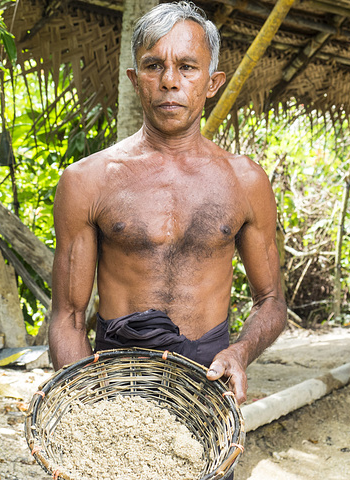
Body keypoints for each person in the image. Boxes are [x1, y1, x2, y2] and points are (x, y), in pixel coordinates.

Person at [49, 1, 286, 406]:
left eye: (188, 67)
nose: (170, 81)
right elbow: (68, 318)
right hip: (114, 375)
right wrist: (88, 401)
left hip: (206, 380)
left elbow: (272, 302)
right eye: (153, 65)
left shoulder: (246, 181)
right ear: (134, 79)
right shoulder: (87, 181)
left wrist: (239, 352)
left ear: (212, 83)